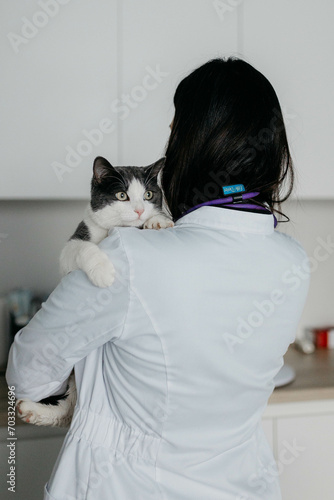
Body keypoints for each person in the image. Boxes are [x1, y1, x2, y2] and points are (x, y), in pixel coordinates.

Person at [6, 58, 310, 500]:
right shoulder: (294, 261)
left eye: (176, 131)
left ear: (193, 146)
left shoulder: (130, 256)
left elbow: (27, 376)